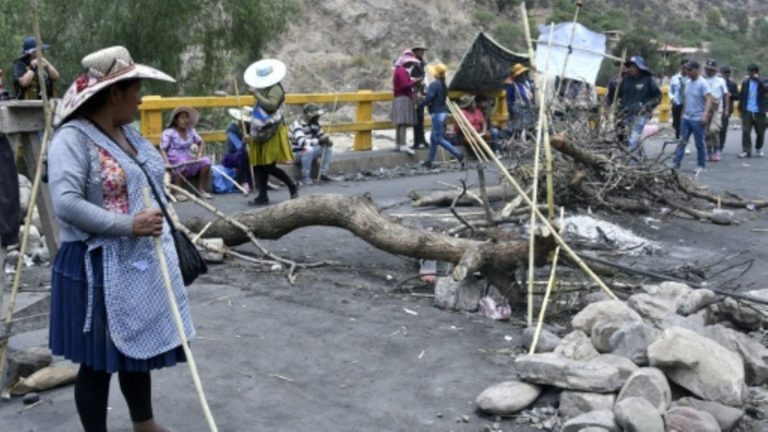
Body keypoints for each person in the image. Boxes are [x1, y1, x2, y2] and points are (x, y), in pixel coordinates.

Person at [47, 45, 191, 432]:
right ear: (114, 93)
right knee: (96, 361)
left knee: (135, 350)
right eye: (135, 88)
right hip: (93, 265)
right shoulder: (72, 140)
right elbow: (66, 203)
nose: (140, 97)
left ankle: (144, 424)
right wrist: (129, 225)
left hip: (135, 262)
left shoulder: (126, 134)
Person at [243, 58, 298, 205]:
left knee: (267, 164)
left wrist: (256, 95)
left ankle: (292, 185)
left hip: (272, 130)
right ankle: (262, 195)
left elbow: (271, 106)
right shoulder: (266, 89)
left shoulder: (276, 89)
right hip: (261, 129)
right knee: (258, 163)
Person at [159, 106, 213, 199]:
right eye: (182, 117)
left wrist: (199, 154)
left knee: (206, 161)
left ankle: (201, 190)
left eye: (186, 117)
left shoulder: (191, 131)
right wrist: (166, 163)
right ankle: (178, 192)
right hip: (175, 159)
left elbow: (201, 142)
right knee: (182, 162)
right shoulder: (169, 132)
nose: (185, 120)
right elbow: (163, 148)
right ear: (176, 120)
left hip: (189, 158)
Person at [417, 63, 463, 169]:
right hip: (443, 112)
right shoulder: (443, 85)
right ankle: (429, 161)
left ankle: (458, 154)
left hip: (436, 114)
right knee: (433, 139)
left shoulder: (434, 85)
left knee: (438, 138)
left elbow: (429, 97)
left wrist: (420, 105)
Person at [672, 61, 713, 174]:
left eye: (690, 70)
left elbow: (709, 99)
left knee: (699, 143)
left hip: (697, 118)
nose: (687, 72)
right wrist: (682, 116)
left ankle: (701, 165)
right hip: (686, 118)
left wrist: (705, 115)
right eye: (686, 70)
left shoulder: (703, 83)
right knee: (682, 141)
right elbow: (686, 100)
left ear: (697, 70)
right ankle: (676, 163)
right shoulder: (688, 82)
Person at [617, 56, 661, 154]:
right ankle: (640, 161)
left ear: (640, 67)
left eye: (634, 66)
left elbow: (658, 97)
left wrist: (647, 106)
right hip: (627, 114)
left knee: (633, 140)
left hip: (641, 114)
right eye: (630, 66)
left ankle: (629, 165)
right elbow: (620, 95)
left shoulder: (648, 79)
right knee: (632, 140)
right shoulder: (626, 79)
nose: (631, 69)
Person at [289, 103, 336, 184]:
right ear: (308, 115)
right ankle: (305, 176)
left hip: (309, 151)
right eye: (316, 115)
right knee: (308, 149)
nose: (318, 117)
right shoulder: (297, 125)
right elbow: (302, 143)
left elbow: (321, 136)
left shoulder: (315, 124)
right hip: (296, 153)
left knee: (328, 149)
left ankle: (323, 173)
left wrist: (328, 141)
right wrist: (319, 141)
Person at [391, 50, 420, 155]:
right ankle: (403, 145)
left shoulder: (397, 70)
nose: (411, 64)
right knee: (403, 122)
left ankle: (398, 143)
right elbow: (404, 85)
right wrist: (414, 82)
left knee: (399, 123)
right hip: (403, 98)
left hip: (398, 98)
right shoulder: (403, 71)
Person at [12, 36, 60, 100]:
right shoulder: (19, 64)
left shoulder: (43, 62)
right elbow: (23, 83)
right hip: (27, 105)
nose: (42, 52)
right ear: (32, 52)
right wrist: (33, 68)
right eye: (41, 50)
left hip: (46, 101)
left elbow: (56, 76)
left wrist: (47, 65)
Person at [702, 60, 729, 161]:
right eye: (707, 69)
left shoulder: (720, 81)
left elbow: (726, 94)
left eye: (711, 70)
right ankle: (709, 150)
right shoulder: (703, 80)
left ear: (714, 70)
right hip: (706, 106)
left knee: (714, 129)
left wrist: (726, 108)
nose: (709, 71)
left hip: (718, 107)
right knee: (707, 131)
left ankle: (717, 149)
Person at [739, 64, 767, 158]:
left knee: (760, 132)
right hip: (748, 110)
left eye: (752, 72)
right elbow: (742, 96)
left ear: (756, 72)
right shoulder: (745, 83)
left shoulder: (763, 80)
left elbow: (766, 88)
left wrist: (758, 80)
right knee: (746, 131)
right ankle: (746, 151)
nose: (750, 74)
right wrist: (741, 110)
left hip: (760, 111)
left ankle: (758, 147)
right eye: (749, 72)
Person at [223, 107, 253, 192]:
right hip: (232, 157)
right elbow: (238, 147)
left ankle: (263, 180)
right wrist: (244, 142)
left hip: (248, 155)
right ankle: (244, 182)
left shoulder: (250, 129)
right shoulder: (232, 129)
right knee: (243, 154)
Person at [505, 63, 537, 139]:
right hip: (518, 112)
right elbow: (509, 101)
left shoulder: (526, 84)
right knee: (519, 132)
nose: (523, 75)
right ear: (517, 76)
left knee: (530, 130)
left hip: (528, 111)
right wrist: (513, 112)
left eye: (523, 73)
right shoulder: (511, 87)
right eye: (521, 74)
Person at [410, 43, 429, 149]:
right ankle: (417, 141)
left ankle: (422, 140)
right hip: (415, 93)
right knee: (417, 118)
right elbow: (411, 78)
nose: (422, 53)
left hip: (421, 93)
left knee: (421, 118)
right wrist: (418, 81)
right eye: (420, 51)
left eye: (423, 51)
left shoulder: (422, 64)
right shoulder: (412, 64)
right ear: (415, 52)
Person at [719, 66, 739, 155]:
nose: (726, 74)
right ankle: (713, 145)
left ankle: (720, 146)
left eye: (728, 72)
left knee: (723, 128)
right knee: (714, 129)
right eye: (724, 72)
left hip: (726, 109)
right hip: (716, 108)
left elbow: (737, 96)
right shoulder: (717, 82)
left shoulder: (732, 84)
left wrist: (731, 95)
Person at [669, 59, 689, 141]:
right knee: (676, 124)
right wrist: (672, 98)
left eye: (687, 67)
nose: (685, 69)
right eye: (684, 67)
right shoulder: (674, 78)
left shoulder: (690, 78)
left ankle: (684, 142)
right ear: (681, 67)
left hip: (687, 105)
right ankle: (678, 139)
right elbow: (670, 91)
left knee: (684, 123)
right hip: (676, 103)